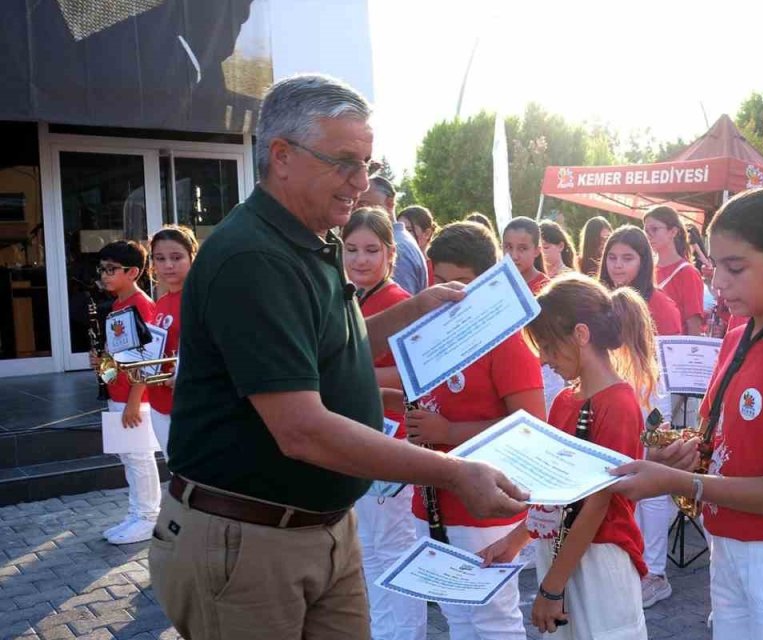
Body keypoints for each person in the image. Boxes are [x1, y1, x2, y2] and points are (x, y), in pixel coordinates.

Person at [150, 74, 526, 640]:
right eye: (345, 163)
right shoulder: (254, 258)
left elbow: (329, 352)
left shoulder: (312, 240)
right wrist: (454, 473)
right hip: (251, 542)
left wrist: (416, 308)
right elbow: (302, 430)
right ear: (282, 156)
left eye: (368, 164)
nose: (362, 182)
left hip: (319, 530)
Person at [613, 188, 763, 639]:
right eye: (715, 266)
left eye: (735, 267)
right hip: (729, 547)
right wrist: (681, 455)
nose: (718, 283)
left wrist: (679, 482)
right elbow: (718, 441)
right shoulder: (737, 337)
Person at [405, 220, 545, 639]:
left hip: (484, 509)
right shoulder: (429, 331)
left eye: (462, 283)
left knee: (493, 621)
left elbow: (531, 426)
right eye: (440, 282)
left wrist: (449, 431)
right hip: (432, 500)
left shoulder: (508, 339)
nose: (449, 294)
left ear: (488, 281)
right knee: (458, 619)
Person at [508, 274, 652, 639]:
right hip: (561, 553)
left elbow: (597, 505)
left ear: (581, 335)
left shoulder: (618, 404)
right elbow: (553, 495)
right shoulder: (564, 400)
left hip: (599, 562)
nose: (544, 359)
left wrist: (551, 588)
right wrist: (513, 541)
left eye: (549, 347)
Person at [341, 208, 427, 640]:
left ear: (391, 254)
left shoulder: (397, 301)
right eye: (351, 249)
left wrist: (346, 376)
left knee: (393, 548)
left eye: (371, 250)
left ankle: (404, 633)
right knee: (371, 549)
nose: (360, 259)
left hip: (391, 439)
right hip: (361, 436)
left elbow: (416, 373)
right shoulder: (352, 298)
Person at [597, 224, 681, 607]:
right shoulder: (598, 298)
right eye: (612, 257)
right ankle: (630, 562)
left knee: (652, 489)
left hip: (649, 400)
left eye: (627, 258)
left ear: (644, 261)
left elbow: (666, 364)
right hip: (616, 406)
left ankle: (655, 571)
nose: (617, 265)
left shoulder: (659, 303)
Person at [94, 239, 162, 545]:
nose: (104, 275)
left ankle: (148, 517)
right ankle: (137, 513)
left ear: (133, 272)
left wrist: (134, 401)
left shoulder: (141, 305)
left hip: (135, 398)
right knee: (128, 456)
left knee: (139, 456)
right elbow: (120, 356)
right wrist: (103, 366)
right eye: (102, 269)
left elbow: (149, 358)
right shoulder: (118, 305)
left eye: (112, 269)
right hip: (119, 393)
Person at [148, 226, 199, 459]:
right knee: (174, 468)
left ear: (192, 257)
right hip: (159, 403)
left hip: (190, 406)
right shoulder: (161, 302)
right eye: (160, 258)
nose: (168, 265)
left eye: (176, 257)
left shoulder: (200, 299)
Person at [644, 206, 704, 335]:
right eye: (646, 231)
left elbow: (694, 326)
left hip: (675, 344)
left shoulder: (688, 273)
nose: (649, 235)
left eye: (654, 229)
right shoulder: (647, 269)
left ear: (673, 232)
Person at [392, 204, 432, 294]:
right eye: (400, 230)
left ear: (427, 233)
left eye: (409, 230)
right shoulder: (395, 262)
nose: (403, 235)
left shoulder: (439, 267)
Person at [502, 216, 549, 293]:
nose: (514, 256)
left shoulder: (546, 290)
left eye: (522, 248)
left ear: (536, 251)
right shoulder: (495, 284)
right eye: (508, 247)